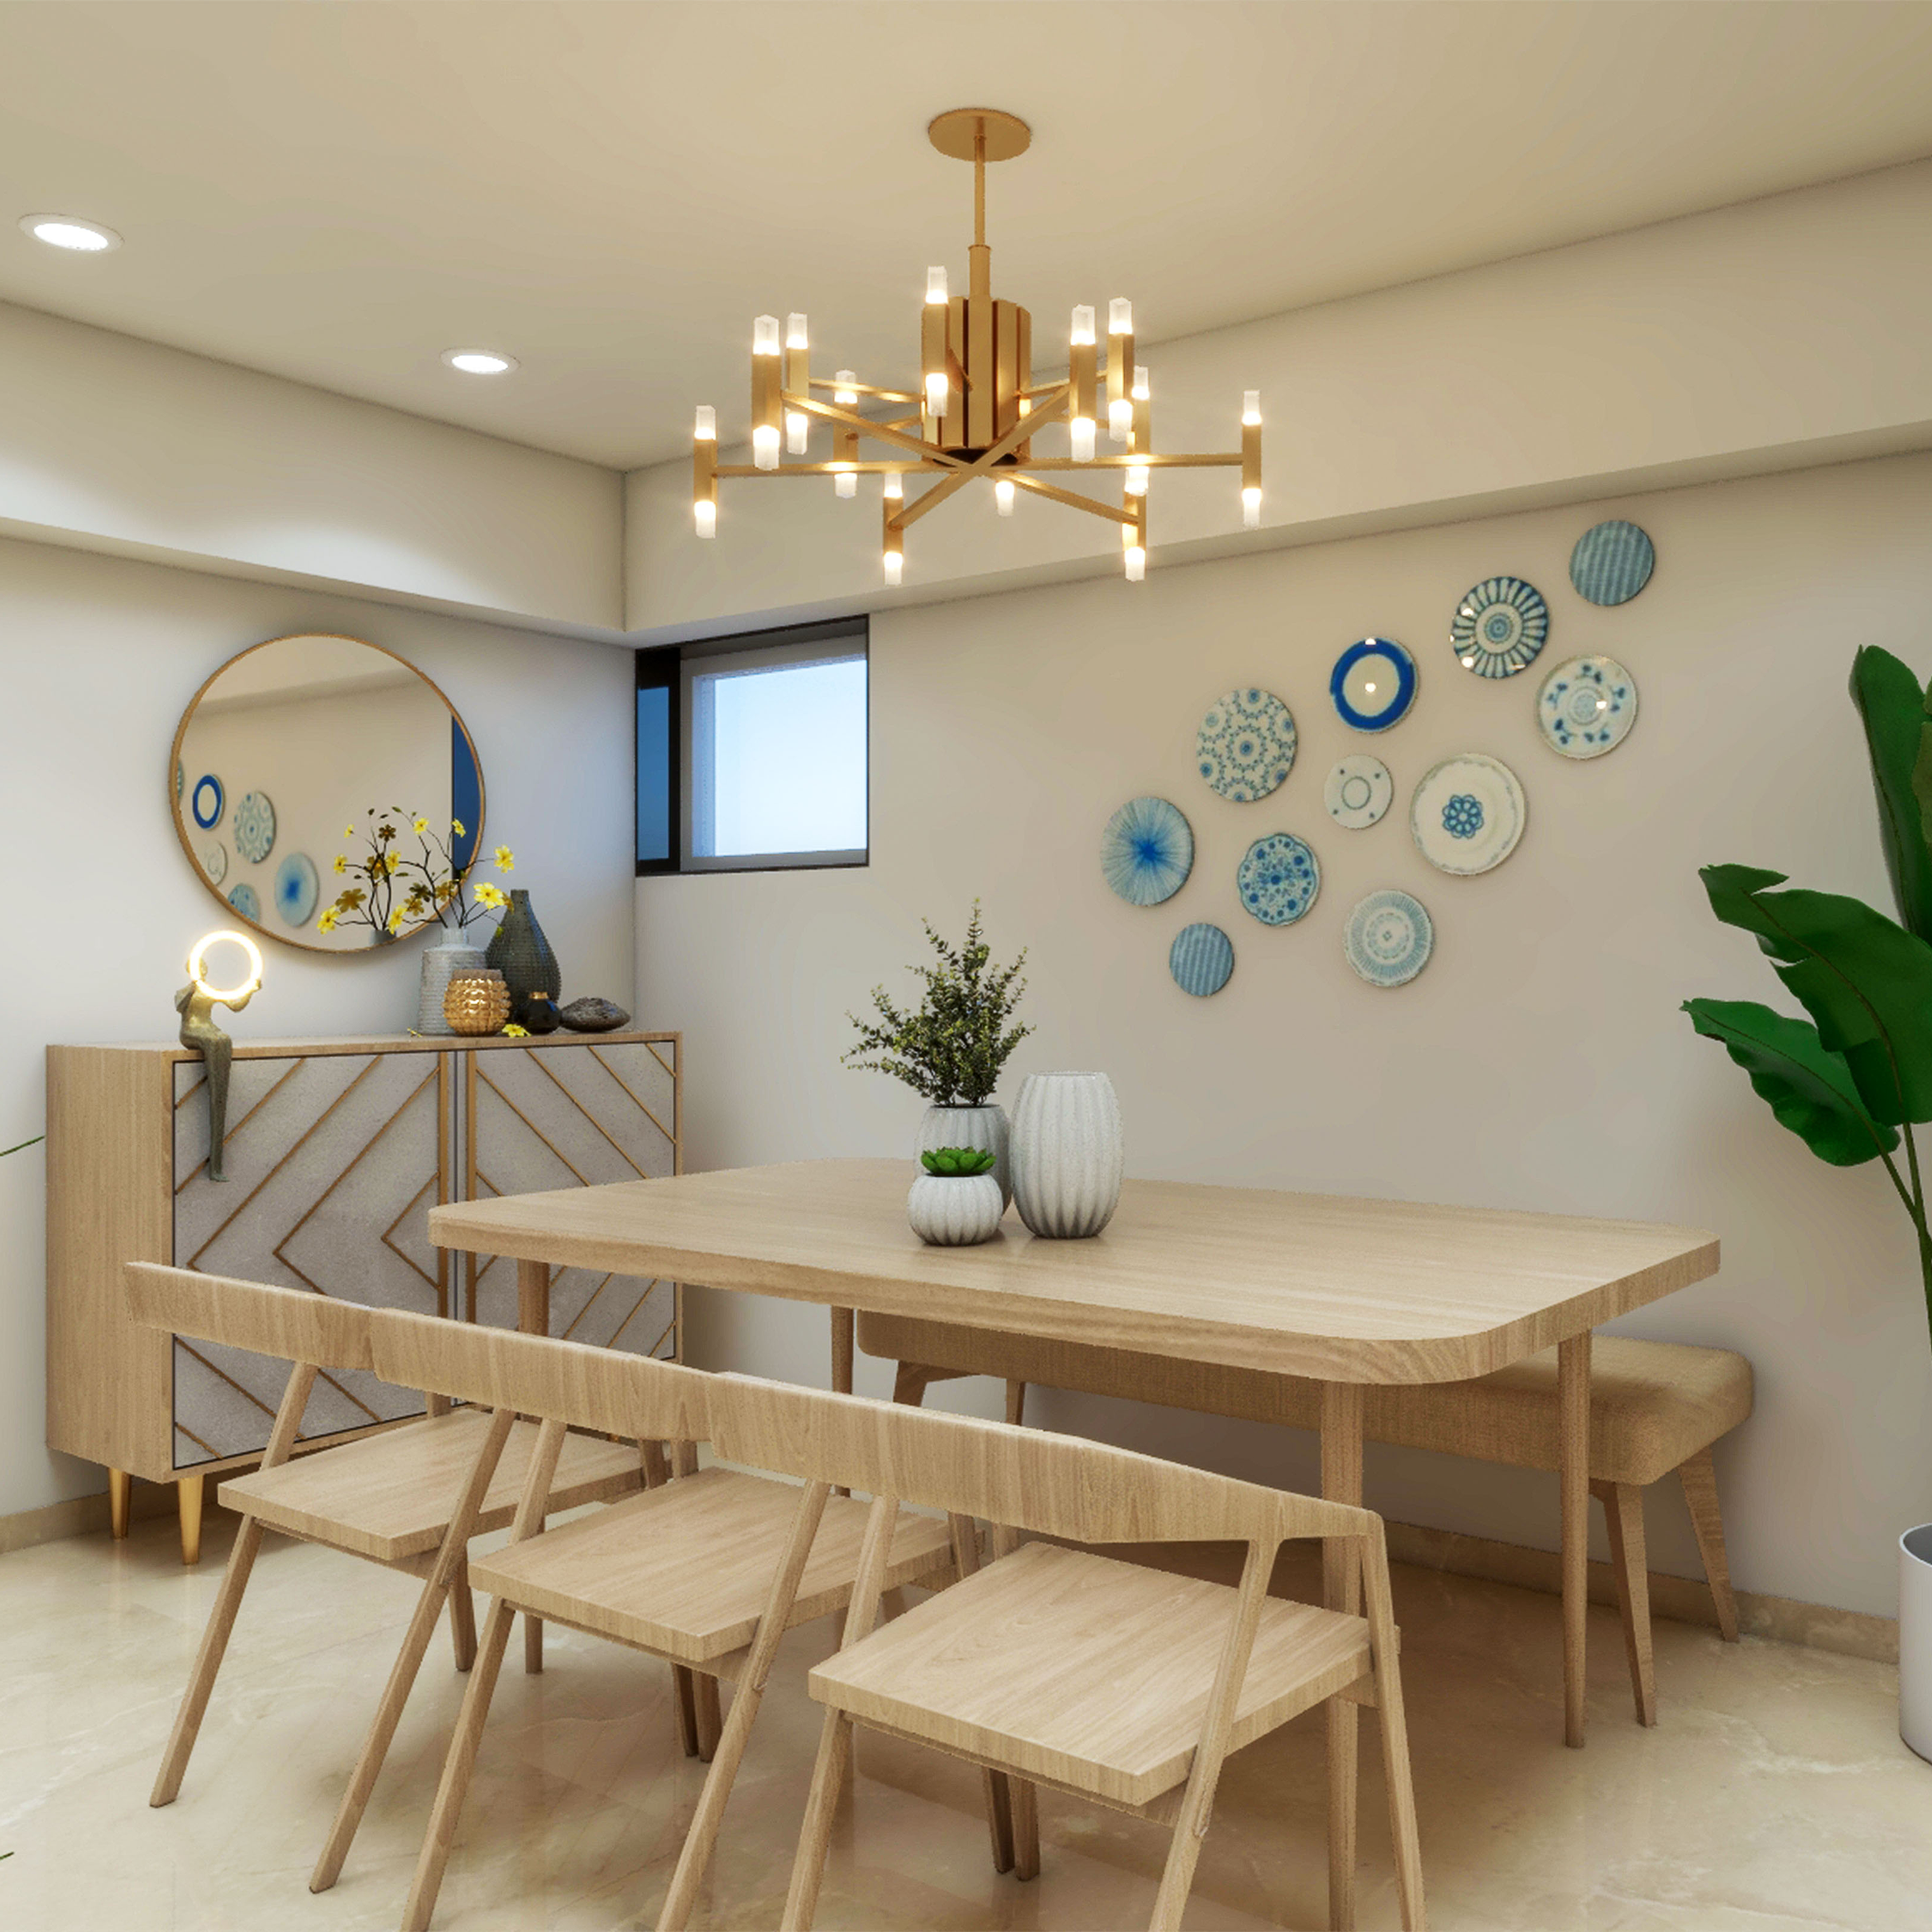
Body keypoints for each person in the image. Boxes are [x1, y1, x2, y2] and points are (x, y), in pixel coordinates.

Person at [175, 958, 258, 1182]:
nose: (201, 970)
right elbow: (180, 1007)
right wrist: (193, 987)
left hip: (210, 1030)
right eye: (197, 967)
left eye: (203, 967)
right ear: (190, 970)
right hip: (192, 1032)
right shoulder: (184, 991)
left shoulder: (211, 990)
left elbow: (235, 1005)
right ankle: (217, 1086)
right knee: (215, 1041)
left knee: (224, 1039)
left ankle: (220, 1085)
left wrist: (251, 989)